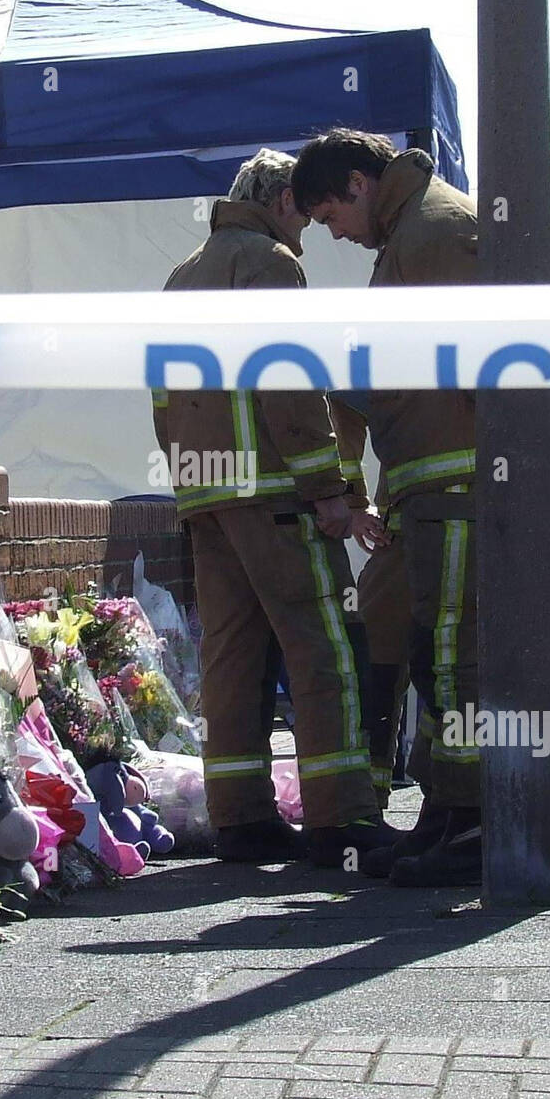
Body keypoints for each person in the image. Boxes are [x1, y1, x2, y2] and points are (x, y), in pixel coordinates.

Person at [152, 149, 397, 868]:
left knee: (230, 661)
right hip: (275, 496)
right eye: (311, 209)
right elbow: (289, 388)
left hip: (208, 497)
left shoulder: (182, 274)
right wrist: (329, 490)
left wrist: (191, 487)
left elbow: (166, 403)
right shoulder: (268, 264)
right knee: (322, 653)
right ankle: (340, 818)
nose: (316, 227)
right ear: (285, 198)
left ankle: (240, 818)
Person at [292, 129, 481, 886]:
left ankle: (470, 821)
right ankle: (445, 811)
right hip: (428, 483)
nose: (335, 233)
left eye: (331, 214)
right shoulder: (412, 232)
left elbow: (483, 355)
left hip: (459, 482)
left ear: (358, 184)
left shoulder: (435, 231)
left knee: (454, 650)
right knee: (430, 644)